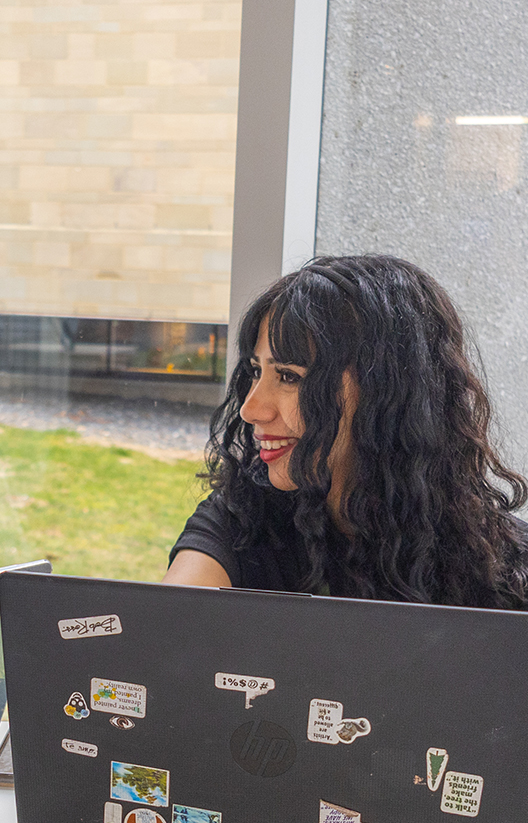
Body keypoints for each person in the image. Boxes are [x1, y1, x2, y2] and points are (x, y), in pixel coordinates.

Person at [164, 254, 528, 608]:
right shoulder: (243, 518)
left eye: (289, 377)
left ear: (385, 393)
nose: (250, 409)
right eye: (257, 371)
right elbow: (165, 633)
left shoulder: (499, 563)